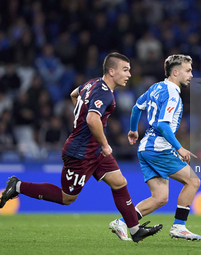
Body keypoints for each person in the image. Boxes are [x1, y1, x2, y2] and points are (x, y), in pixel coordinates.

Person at [0, 52, 162, 243]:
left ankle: (134, 230)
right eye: (125, 70)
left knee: (119, 182)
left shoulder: (92, 83)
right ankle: (17, 185)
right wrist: (105, 144)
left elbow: (74, 94)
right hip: (80, 153)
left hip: (92, 149)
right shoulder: (104, 92)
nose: (129, 74)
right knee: (67, 197)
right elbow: (92, 119)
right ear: (111, 71)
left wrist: (82, 120)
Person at [110, 54, 201, 241]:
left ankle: (121, 222)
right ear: (175, 72)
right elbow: (163, 124)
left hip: (145, 148)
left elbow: (136, 108)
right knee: (193, 182)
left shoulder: (156, 88)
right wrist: (179, 147)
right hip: (159, 148)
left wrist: (133, 130)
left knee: (160, 197)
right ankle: (179, 227)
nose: (191, 74)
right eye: (188, 70)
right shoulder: (173, 94)